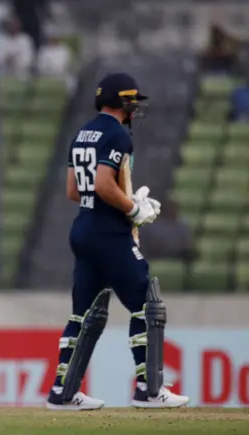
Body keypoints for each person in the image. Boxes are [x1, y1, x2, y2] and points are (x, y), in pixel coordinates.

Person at [46, 73, 190, 411]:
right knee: (145, 303)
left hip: (84, 227)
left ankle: (62, 392)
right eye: (132, 101)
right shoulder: (117, 135)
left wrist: (123, 200)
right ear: (121, 100)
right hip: (109, 233)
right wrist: (133, 207)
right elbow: (101, 184)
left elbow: (73, 190)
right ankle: (150, 389)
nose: (136, 107)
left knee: (84, 313)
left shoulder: (82, 133)